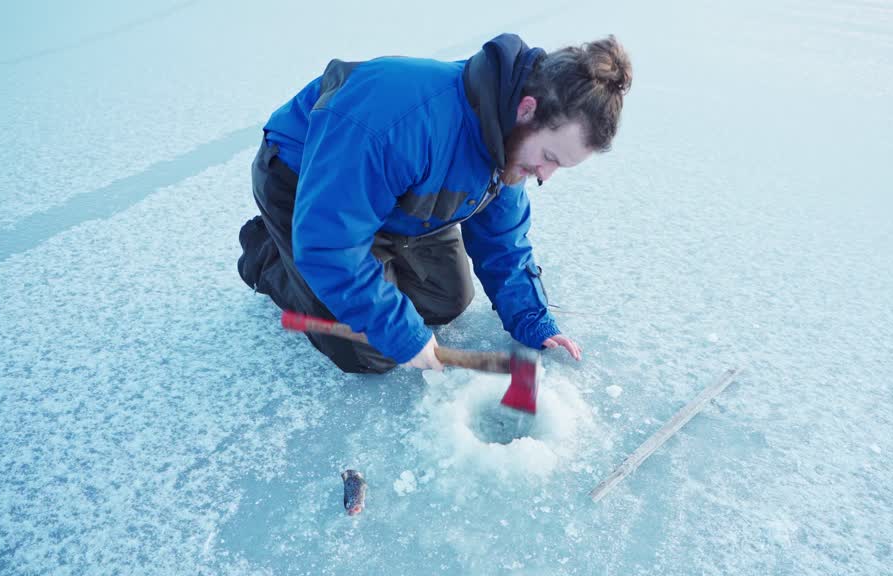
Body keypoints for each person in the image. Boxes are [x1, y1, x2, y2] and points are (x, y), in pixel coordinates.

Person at [237, 33, 631, 373]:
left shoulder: (508, 137)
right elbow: (331, 242)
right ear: (527, 109)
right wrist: (403, 335)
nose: (545, 174)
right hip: (305, 182)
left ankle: (369, 258)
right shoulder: (400, 123)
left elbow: (503, 241)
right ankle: (270, 255)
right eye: (550, 157)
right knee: (372, 350)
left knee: (448, 300)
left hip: (399, 204)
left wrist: (535, 321)